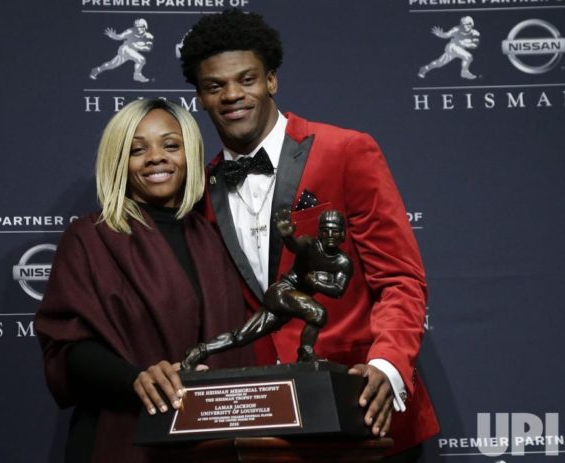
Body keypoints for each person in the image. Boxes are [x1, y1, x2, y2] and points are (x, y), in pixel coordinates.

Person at [179, 9, 439, 460]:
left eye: (247, 78)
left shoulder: (346, 151)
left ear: (272, 80)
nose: (233, 95)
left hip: (362, 409)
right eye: (214, 86)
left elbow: (400, 279)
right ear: (199, 98)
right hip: (268, 426)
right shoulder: (200, 188)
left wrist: (386, 365)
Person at [34, 98, 252, 463]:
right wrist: (136, 378)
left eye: (171, 145)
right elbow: (66, 349)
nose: (156, 157)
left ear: (190, 154)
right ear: (119, 160)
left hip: (214, 439)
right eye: (137, 149)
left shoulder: (215, 237)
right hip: (123, 437)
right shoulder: (90, 237)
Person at [182, 209, 353, 368]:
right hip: (282, 292)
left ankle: (200, 351)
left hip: (291, 305)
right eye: (325, 230)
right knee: (318, 313)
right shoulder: (309, 243)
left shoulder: (343, 263)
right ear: (319, 232)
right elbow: (294, 246)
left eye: (335, 231)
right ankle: (305, 354)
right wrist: (287, 236)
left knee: (241, 336)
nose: (330, 235)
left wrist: (317, 283)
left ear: (343, 234)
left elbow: (338, 290)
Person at [89, 18, 154, 82]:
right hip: (125, 49)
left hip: (132, 52)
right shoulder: (130, 31)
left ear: (145, 26)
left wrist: (137, 46)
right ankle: (137, 75)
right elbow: (120, 36)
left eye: (141, 27)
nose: (139, 29)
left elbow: (148, 48)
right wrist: (114, 36)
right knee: (141, 59)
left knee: (111, 65)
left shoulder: (149, 36)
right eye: (137, 27)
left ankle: (97, 70)